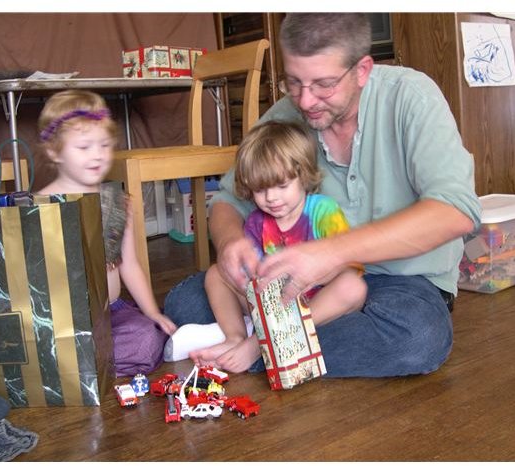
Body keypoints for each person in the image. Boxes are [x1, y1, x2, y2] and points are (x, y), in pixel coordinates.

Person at [164, 13, 482, 378]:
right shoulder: (286, 114)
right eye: (294, 82)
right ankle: (269, 342)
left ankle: (250, 349)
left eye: (324, 84)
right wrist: (231, 241)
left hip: (401, 281)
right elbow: (227, 201)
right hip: (305, 282)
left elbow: (456, 210)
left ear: (362, 70)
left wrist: (332, 251)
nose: (306, 99)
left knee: (417, 338)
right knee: (184, 301)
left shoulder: (411, 97)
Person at [190, 120, 367, 373]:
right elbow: (252, 277)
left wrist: (315, 274)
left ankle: (259, 343)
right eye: (260, 190)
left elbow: (350, 267)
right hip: (273, 305)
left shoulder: (323, 211)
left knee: (354, 287)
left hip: (314, 304)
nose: (271, 198)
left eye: (282, 186)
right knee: (216, 273)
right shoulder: (256, 221)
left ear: (303, 176)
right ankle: (235, 338)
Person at [37, 90, 177, 377]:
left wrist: (151, 312)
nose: (97, 155)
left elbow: (130, 265)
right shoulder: (39, 205)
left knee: (146, 337)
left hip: (111, 314)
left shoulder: (118, 202)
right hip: (61, 318)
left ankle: (83, 365)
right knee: (46, 345)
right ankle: (77, 362)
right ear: (54, 151)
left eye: (104, 145)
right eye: (84, 147)